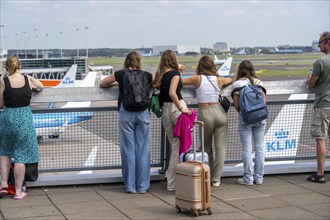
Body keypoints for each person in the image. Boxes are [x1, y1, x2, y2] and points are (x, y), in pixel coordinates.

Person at [99, 51, 153, 193]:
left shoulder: (120, 74)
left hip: (126, 114)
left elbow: (103, 83)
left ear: (126, 61)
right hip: (143, 114)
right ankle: (143, 186)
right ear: (139, 61)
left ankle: (130, 186)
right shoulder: (147, 75)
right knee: (143, 150)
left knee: (128, 149)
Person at [182, 55, 233, 187]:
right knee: (221, 148)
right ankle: (216, 179)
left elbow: (180, 81)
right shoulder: (218, 79)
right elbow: (230, 79)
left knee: (206, 148)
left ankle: (207, 175)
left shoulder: (197, 78)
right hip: (220, 112)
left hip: (205, 113)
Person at [0, 56, 44, 200]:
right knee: (21, 155)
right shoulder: (28, 79)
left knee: (4, 151)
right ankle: (18, 191)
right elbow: (41, 86)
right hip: (24, 119)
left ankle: (4, 183)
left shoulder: (3, 81)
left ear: (7, 67)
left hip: (7, 118)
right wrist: (31, 80)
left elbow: (1, 104)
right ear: (20, 66)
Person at [153, 50, 192, 191]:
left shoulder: (160, 75)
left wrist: (178, 69)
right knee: (179, 146)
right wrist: (181, 108)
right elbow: (172, 92)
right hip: (176, 108)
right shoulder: (174, 74)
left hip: (165, 111)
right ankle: (172, 180)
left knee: (174, 144)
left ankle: (172, 179)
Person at [231, 60, 266, 185]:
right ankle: (259, 177)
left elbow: (236, 105)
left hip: (245, 118)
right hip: (260, 118)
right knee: (259, 148)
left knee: (247, 148)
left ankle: (248, 178)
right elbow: (264, 101)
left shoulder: (237, 84)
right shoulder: (259, 82)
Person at [307, 31, 330, 183]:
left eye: (320, 42)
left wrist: (309, 77)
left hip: (323, 105)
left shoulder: (320, 62)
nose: (319, 45)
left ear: (327, 42)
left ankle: (320, 173)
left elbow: (312, 83)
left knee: (321, 138)